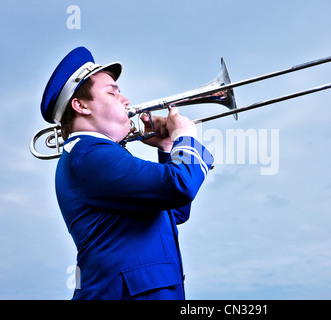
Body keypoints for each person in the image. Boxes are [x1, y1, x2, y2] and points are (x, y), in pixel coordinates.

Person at [40, 47, 214, 300]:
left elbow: (175, 211)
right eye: (112, 92)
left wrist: (167, 147)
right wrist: (184, 136)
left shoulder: (98, 154)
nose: (126, 101)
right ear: (80, 105)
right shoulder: (90, 155)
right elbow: (181, 186)